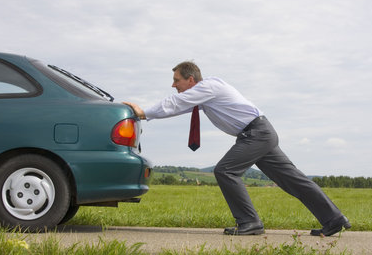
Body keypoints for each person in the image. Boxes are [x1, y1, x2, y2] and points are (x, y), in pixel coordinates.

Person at [124, 61, 351, 236]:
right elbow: (176, 108)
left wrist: (143, 111)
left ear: (190, 80)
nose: (174, 85)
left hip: (256, 134)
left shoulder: (209, 86)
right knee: (292, 180)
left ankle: (249, 222)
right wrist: (150, 115)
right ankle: (334, 220)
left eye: (176, 80)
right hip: (259, 133)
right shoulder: (202, 95)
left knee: (225, 170)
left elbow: (174, 103)